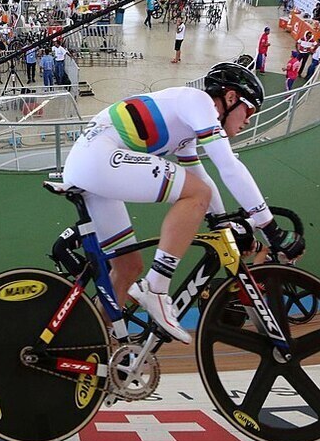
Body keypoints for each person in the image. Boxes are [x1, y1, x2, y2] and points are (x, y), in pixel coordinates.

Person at [60, 63, 304, 343]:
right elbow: (228, 167)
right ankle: (157, 288)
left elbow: (203, 176)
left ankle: (85, 342)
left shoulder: (186, 124)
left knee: (127, 268)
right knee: (196, 193)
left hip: (91, 166)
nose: (249, 119)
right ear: (231, 98)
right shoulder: (198, 102)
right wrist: (270, 229)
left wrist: (224, 223)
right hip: (98, 160)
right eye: (250, 110)